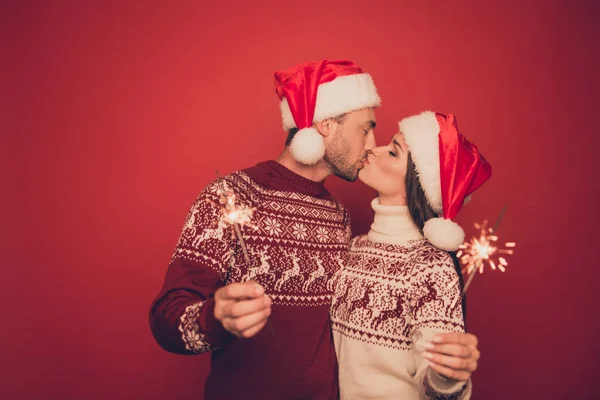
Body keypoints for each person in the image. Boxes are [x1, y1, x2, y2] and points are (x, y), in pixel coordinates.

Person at [149, 60, 480, 399]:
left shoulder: (338, 217)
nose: (371, 145)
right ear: (324, 125)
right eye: (365, 128)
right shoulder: (229, 197)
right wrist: (214, 318)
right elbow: (166, 317)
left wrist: (445, 375)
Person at [330, 111, 491, 399]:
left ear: (417, 186)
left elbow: (438, 385)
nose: (373, 149)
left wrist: (447, 376)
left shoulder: (431, 266)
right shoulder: (355, 247)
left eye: (393, 152)